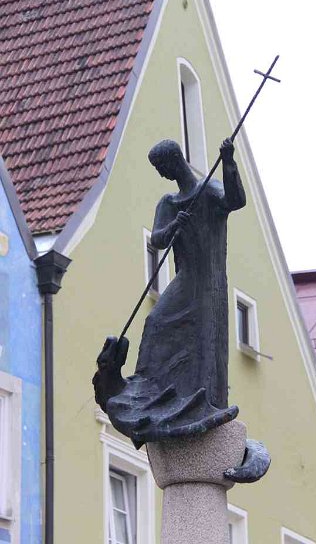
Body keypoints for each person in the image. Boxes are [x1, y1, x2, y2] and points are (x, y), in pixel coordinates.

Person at [93, 138, 246, 450]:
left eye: (161, 167)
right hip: (185, 276)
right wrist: (176, 224)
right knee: (156, 322)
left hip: (208, 282)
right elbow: (158, 239)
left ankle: (199, 398)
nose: (161, 174)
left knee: (203, 341)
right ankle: (149, 387)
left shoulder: (208, 190)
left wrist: (229, 161)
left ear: (173, 161)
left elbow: (235, 200)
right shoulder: (168, 203)